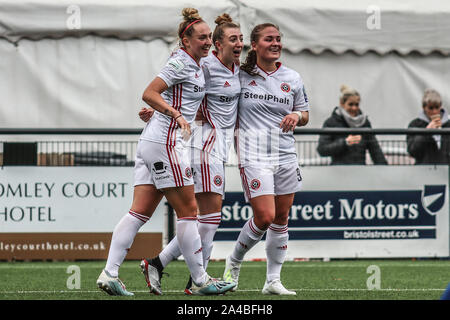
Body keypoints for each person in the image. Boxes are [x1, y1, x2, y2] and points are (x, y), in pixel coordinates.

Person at [96, 8, 235, 296]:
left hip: (155, 141)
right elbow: (150, 92)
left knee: (139, 212)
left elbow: (167, 97)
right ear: (185, 40)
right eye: (202, 38)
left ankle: (110, 273)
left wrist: (163, 112)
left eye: (210, 37)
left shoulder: (195, 63)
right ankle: (200, 280)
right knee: (189, 212)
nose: (208, 42)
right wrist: (174, 114)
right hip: (166, 143)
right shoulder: (182, 62)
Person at [139, 13, 243, 295]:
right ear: (218, 44)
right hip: (203, 143)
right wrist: (159, 112)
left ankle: (159, 263)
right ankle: (199, 282)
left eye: (241, 39)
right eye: (232, 39)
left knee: (202, 218)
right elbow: (179, 88)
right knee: (207, 218)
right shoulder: (205, 64)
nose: (239, 44)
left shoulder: (237, 69)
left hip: (218, 147)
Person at [222, 23, 309, 296]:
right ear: (255, 45)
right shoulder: (240, 75)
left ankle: (273, 281)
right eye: (269, 39)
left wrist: (297, 116)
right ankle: (233, 262)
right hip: (253, 155)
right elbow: (211, 96)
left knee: (281, 217)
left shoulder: (292, 77)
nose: (275, 43)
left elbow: (305, 114)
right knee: (265, 215)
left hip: (285, 154)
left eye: (278, 39)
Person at [316, 85, 387, 165]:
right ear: (342, 104)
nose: (354, 108)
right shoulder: (331, 122)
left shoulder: (364, 122)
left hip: (359, 170)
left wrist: (384, 168)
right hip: (338, 172)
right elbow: (322, 149)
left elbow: (375, 149)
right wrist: (345, 142)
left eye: (357, 104)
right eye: (350, 104)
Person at [407, 89, 450, 164]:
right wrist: (426, 132)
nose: (434, 111)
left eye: (437, 107)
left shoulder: (448, 124)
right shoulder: (415, 125)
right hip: (424, 170)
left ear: (441, 107)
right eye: (431, 108)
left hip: (446, 171)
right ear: (424, 108)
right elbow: (412, 151)